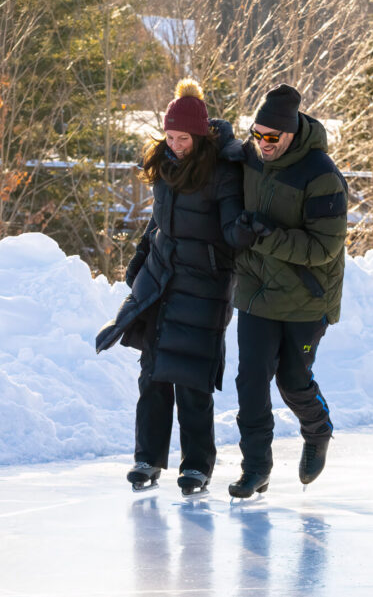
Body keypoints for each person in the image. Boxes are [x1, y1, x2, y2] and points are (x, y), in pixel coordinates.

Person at [96, 78, 254, 496]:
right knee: (152, 375)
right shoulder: (164, 168)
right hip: (162, 280)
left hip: (203, 287)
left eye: (182, 137)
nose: (175, 144)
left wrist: (249, 230)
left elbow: (231, 229)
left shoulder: (221, 172)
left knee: (192, 380)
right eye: (169, 136)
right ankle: (146, 458)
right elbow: (158, 223)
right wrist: (139, 258)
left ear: (199, 136)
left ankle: (197, 465)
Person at [228, 84, 348, 498]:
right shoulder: (251, 158)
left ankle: (318, 432)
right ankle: (256, 467)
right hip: (257, 292)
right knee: (251, 382)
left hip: (306, 296)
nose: (263, 144)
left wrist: (264, 237)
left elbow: (322, 248)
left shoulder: (322, 176)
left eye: (272, 137)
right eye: (256, 134)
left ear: (292, 134)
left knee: (293, 382)